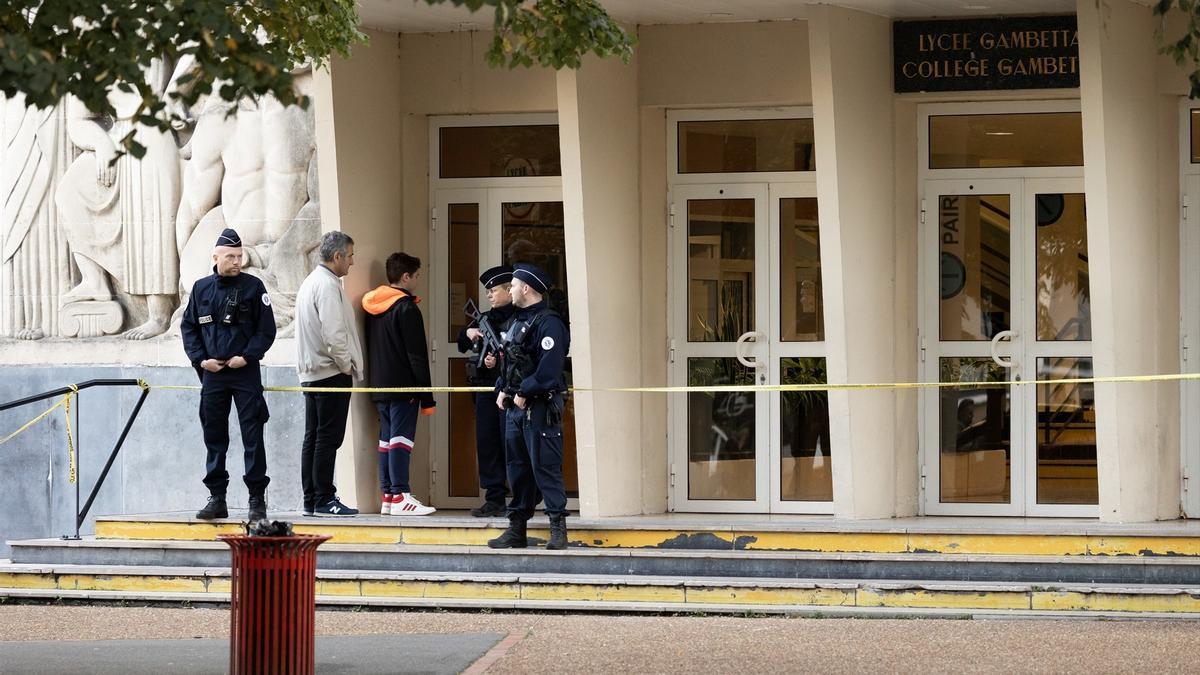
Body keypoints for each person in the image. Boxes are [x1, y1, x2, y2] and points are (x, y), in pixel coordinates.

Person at [181, 228, 276, 521]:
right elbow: (189, 328)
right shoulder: (200, 289)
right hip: (213, 374)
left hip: (244, 372)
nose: (236, 261)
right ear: (216, 257)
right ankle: (217, 498)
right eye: (230, 256)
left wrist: (246, 356)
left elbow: (266, 330)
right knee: (214, 436)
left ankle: (256, 500)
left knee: (252, 436)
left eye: (239, 256)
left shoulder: (253, 287)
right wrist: (200, 361)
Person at [488, 263, 571, 550]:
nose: (508, 289)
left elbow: (548, 371)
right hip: (515, 407)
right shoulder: (516, 322)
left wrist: (524, 391)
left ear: (526, 288)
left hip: (539, 408)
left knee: (545, 467)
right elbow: (510, 362)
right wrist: (502, 389)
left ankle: (558, 529)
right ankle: (517, 529)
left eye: (511, 285)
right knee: (518, 470)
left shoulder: (549, 324)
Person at [362, 252, 437, 516]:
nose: (417, 281)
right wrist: (427, 396)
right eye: (416, 276)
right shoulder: (406, 307)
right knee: (402, 440)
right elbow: (417, 356)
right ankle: (402, 494)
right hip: (404, 386)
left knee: (387, 440)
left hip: (379, 385)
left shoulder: (373, 308)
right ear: (405, 277)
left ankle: (389, 496)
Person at [295, 231, 363, 517]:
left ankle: (312, 498)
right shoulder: (326, 286)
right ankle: (324, 497)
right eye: (349, 256)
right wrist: (345, 364)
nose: (352, 262)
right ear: (337, 256)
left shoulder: (312, 282)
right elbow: (334, 333)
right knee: (328, 438)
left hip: (314, 373)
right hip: (330, 372)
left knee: (314, 437)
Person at [456, 266, 518, 517]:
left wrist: (498, 362)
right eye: (488, 291)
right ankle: (494, 497)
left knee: (512, 444)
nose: (490, 295)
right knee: (488, 443)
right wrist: (468, 332)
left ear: (508, 290)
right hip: (485, 390)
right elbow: (462, 344)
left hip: (511, 390)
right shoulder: (484, 318)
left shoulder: (518, 318)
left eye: (494, 290)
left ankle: (520, 497)